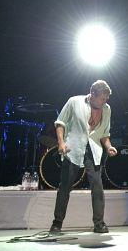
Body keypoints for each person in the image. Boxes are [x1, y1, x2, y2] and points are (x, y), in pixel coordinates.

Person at [49, 80, 117, 234]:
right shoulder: (74, 101)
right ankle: (57, 223)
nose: (105, 101)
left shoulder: (107, 109)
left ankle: (99, 224)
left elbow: (104, 134)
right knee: (65, 186)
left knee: (97, 186)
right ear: (92, 94)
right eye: (102, 98)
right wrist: (61, 143)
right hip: (73, 149)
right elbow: (60, 123)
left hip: (94, 150)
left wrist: (109, 146)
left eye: (107, 99)